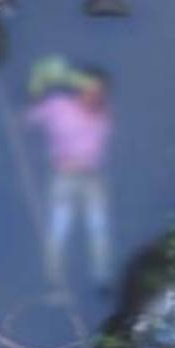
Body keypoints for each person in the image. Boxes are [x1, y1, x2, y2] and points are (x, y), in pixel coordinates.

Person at [26, 67, 113, 295]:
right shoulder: (58, 105)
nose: (92, 95)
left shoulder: (102, 118)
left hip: (90, 177)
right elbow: (30, 120)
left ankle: (101, 278)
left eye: (98, 92)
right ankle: (54, 281)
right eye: (89, 89)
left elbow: (96, 150)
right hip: (64, 177)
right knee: (59, 227)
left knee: (98, 227)